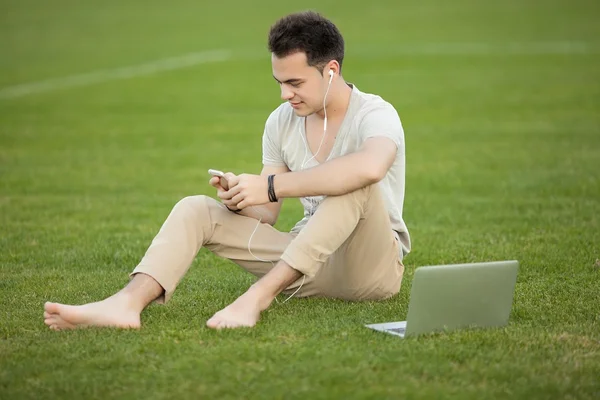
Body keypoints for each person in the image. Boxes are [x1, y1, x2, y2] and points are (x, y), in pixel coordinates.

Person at [43, 11, 411, 330]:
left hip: (370, 270)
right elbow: (267, 213)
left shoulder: (376, 114)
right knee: (195, 208)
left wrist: (271, 185)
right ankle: (126, 304)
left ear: (331, 71)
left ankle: (256, 299)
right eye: (279, 83)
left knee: (356, 183)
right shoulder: (281, 121)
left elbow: (370, 167)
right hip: (305, 264)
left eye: (295, 83)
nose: (285, 94)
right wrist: (241, 197)